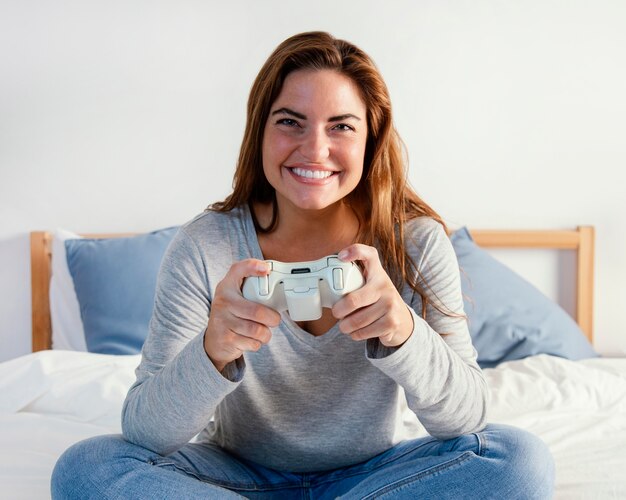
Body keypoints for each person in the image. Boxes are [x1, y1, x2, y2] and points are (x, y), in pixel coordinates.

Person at [52, 31, 554, 499]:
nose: (315, 149)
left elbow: (468, 418)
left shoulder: (415, 242)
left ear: (370, 140)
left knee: (520, 460)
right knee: (87, 468)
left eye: (341, 126)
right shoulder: (205, 245)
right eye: (290, 121)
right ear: (260, 130)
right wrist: (212, 350)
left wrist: (404, 333)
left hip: (373, 476)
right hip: (235, 476)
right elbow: (143, 431)